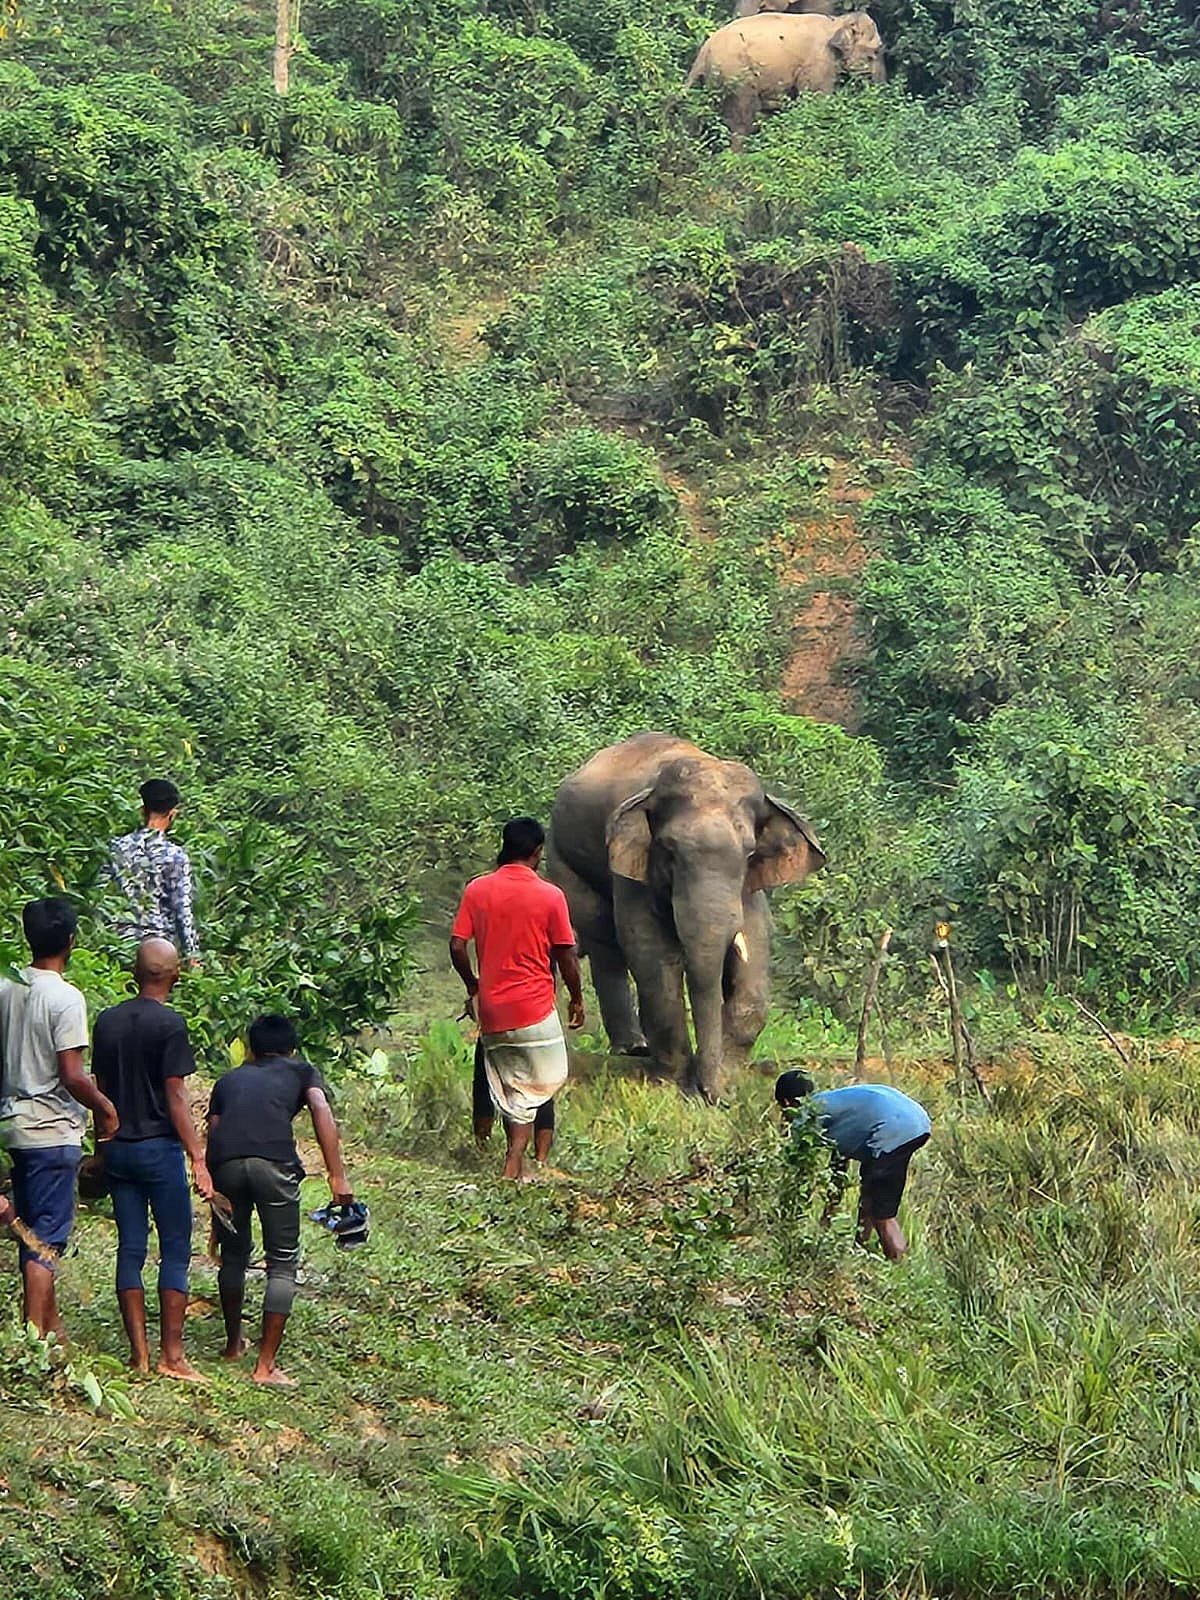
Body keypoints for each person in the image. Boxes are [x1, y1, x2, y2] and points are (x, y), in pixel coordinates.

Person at [206, 1014, 353, 1387]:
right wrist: (337, 1175)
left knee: (234, 1256)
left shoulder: (229, 1079)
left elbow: (215, 1131)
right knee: (282, 1262)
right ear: (291, 1049)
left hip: (226, 1165)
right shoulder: (302, 1071)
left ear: (251, 1049)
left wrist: (214, 1200)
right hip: (274, 1164)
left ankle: (233, 1344)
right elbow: (320, 1109)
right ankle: (265, 1366)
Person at [91, 938, 213, 1380]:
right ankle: (172, 1356)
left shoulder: (106, 1022)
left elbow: (99, 1091)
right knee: (175, 1249)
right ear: (175, 974)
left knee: (131, 1247)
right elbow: (176, 1098)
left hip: (119, 1148)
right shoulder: (170, 1024)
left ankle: (138, 1355)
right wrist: (197, 1157)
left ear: (135, 971)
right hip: (159, 1149)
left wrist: (101, 1147)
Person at [0, 899, 119, 1335]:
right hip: (51, 1130)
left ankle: (48, 1328)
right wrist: (105, 1108)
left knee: (30, 1235)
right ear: (71, 941)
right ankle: (36, 1345)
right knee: (46, 1241)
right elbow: (72, 1074)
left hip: (13, 1125)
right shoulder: (65, 998)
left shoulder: (6, 987)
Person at [450, 816, 584, 1181]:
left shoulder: (477, 890)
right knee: (544, 1081)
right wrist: (576, 997)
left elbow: (457, 945)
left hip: (492, 1011)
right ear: (538, 852)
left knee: (504, 1080)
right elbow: (566, 955)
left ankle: (510, 1157)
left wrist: (473, 985)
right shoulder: (550, 895)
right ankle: (521, 1162)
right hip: (535, 1008)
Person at [775, 1071, 931, 1261]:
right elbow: (838, 1167)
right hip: (916, 1121)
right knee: (868, 1195)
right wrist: (828, 1213)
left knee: (882, 1214)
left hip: (893, 1130)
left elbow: (798, 1170)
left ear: (786, 1103)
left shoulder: (806, 1116)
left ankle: (902, 1269)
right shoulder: (832, 1106)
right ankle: (859, 1251)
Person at [107, 779, 199, 962]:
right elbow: (182, 909)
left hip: (119, 941)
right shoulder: (175, 855)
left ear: (143, 810)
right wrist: (192, 954)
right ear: (172, 813)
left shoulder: (116, 847)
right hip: (159, 946)